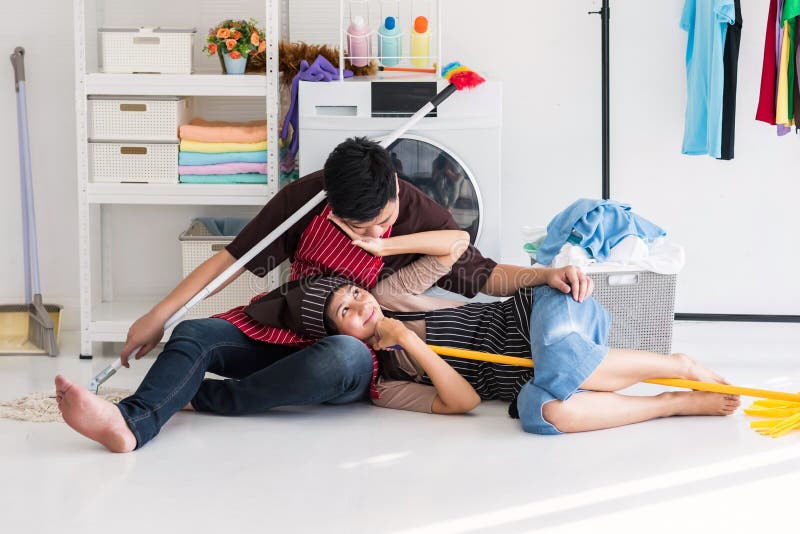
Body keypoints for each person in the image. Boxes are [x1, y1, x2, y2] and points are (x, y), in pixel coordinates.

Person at [55, 137, 590, 452]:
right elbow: (232, 259)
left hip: (345, 353)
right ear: (330, 202)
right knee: (194, 333)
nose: (375, 231)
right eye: (359, 224)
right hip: (282, 326)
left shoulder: (417, 213)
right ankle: (132, 424)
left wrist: (545, 276)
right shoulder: (303, 198)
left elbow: (480, 271)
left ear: (395, 192)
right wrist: (155, 316)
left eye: (382, 220)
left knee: (342, 354)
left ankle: (203, 397)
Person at [245, 225, 740, 434]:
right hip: (527, 381)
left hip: (541, 316)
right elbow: (461, 402)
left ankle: (680, 366)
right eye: (345, 312)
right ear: (341, 339)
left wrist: (382, 251)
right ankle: (666, 403)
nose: (361, 304)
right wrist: (410, 343)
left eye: (355, 292)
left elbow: (455, 244)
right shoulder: (385, 384)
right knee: (543, 415)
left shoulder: (392, 295)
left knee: (562, 358)